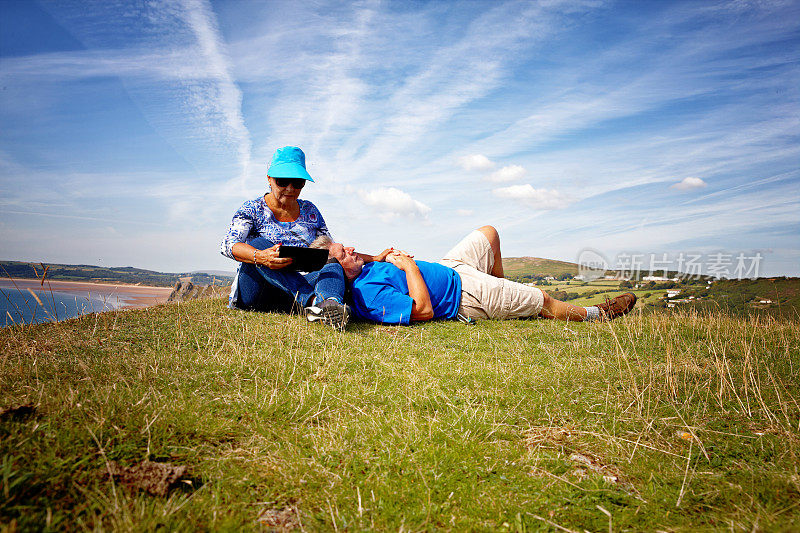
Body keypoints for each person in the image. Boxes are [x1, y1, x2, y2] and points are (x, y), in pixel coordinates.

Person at [328, 225, 636, 325]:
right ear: (336, 270)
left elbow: (360, 257)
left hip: (452, 269)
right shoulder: (368, 296)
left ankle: (504, 292)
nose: (353, 248)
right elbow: (423, 310)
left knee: (489, 233)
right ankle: (599, 315)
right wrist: (408, 266)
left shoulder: (362, 266)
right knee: (542, 298)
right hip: (462, 297)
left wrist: (378, 256)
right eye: (344, 252)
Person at [219, 146, 352, 330]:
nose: (290, 188)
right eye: (282, 181)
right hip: (258, 292)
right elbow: (228, 244)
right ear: (269, 179)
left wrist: (376, 258)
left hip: (293, 294)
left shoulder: (310, 211)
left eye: (297, 182)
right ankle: (315, 303)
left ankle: (329, 305)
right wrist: (262, 256)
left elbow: (331, 249)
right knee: (258, 244)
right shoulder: (253, 208)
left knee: (332, 264)